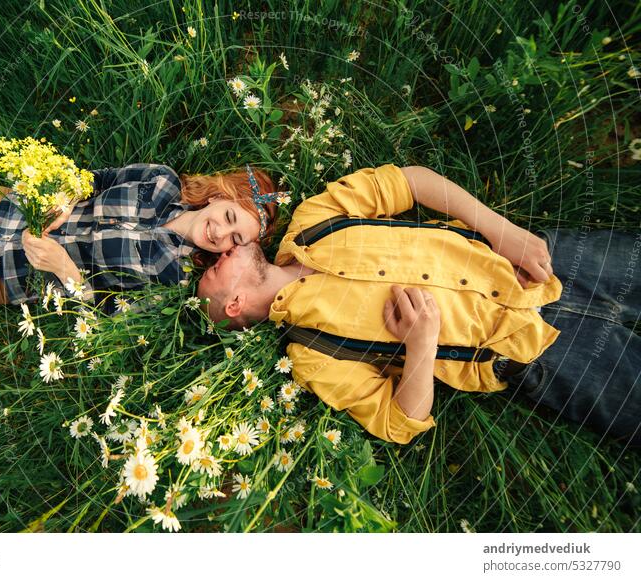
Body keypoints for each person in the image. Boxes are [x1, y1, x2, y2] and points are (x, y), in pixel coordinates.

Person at [198, 164, 641, 446]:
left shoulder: (313, 220)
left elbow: (412, 181)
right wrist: (421, 344)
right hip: (540, 352)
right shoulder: (313, 356)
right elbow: (400, 423)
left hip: (536, 261)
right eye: (215, 271)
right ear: (235, 304)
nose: (221, 254)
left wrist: (501, 230)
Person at [0, 162, 282, 313]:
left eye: (234, 239)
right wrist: (69, 195)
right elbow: (94, 177)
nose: (221, 233)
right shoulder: (161, 181)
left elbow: (106, 316)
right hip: (3, 207)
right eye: (228, 216)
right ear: (219, 195)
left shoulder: (176, 278)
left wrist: (67, 272)